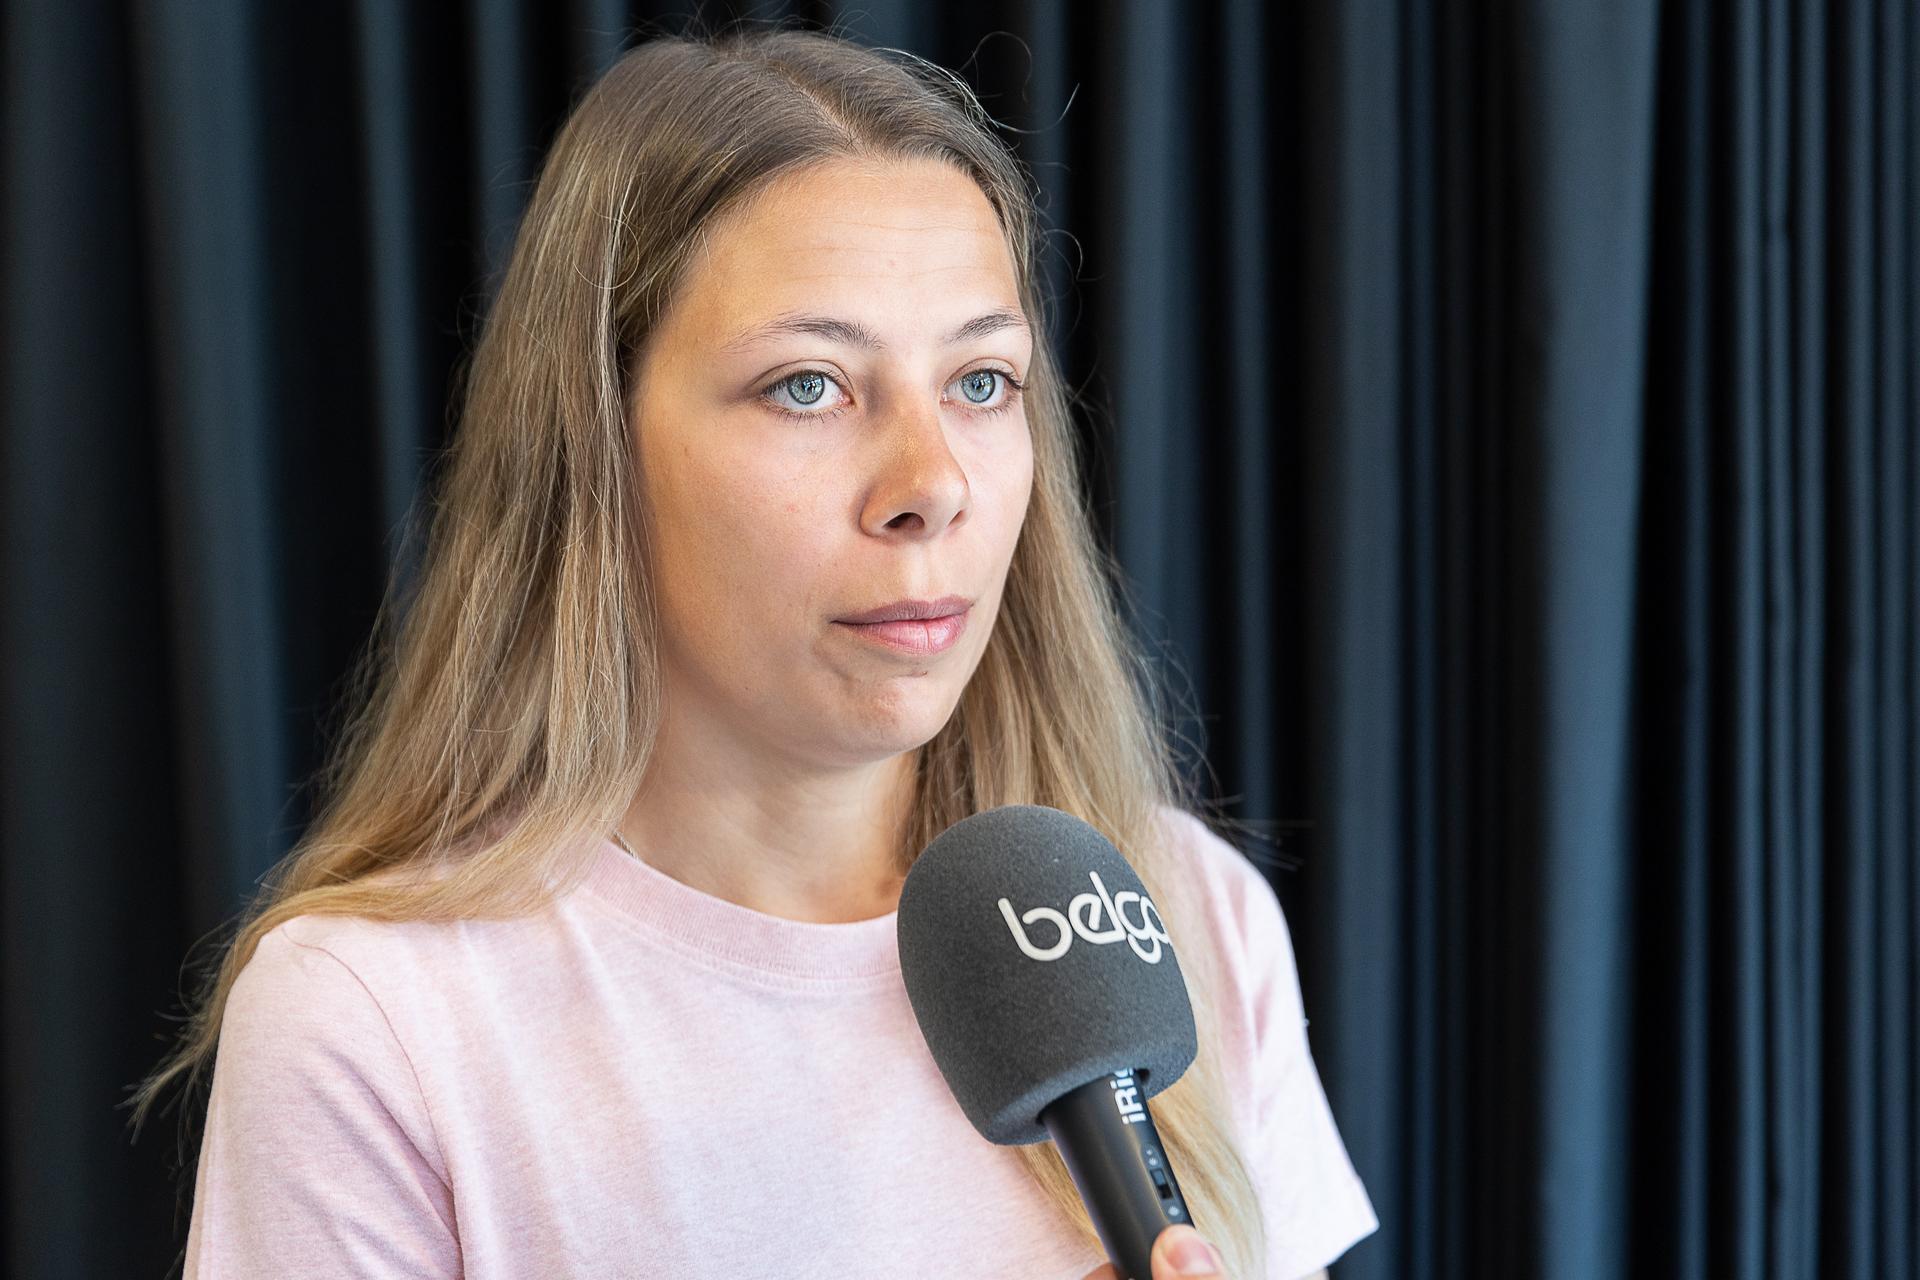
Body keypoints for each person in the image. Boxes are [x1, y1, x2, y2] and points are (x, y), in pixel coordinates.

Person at [128, 23, 1378, 1280]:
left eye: (983, 381)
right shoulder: (377, 1021)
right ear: (597, 446)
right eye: (809, 385)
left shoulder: (1180, 910)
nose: (930, 483)